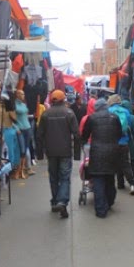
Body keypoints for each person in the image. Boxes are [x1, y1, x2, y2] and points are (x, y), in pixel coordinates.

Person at [37, 89, 80, 218]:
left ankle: (55, 201)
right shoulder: (69, 113)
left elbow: (39, 135)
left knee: (54, 177)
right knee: (65, 177)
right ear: (63, 100)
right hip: (65, 151)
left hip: (51, 152)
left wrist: (40, 154)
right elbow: (77, 135)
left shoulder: (45, 114)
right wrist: (77, 154)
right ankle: (62, 202)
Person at [81, 99, 122, 218]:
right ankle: (109, 202)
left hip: (97, 152)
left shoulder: (92, 117)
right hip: (113, 152)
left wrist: (84, 144)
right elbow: (119, 133)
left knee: (98, 180)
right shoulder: (114, 117)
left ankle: (100, 210)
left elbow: (85, 134)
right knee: (110, 178)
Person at [107, 94, 134, 194]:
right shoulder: (126, 112)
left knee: (114, 163)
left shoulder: (109, 111)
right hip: (124, 142)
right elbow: (128, 127)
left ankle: (119, 184)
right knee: (125, 163)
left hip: (112, 142)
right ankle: (132, 184)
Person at [15, 89, 35, 176]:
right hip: (20, 129)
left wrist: (31, 116)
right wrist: (16, 128)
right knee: (23, 149)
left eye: (23, 94)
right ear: (17, 95)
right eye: (21, 94)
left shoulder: (23, 104)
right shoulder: (14, 105)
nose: (23, 96)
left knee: (26, 148)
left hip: (27, 128)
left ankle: (26, 168)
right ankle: (20, 170)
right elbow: (11, 117)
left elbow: (24, 115)